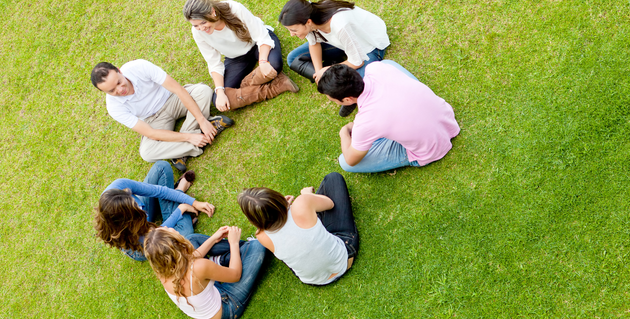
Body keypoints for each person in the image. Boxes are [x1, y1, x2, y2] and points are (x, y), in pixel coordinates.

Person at [317, 60, 461, 173]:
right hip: (447, 119)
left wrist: (344, 132)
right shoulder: (376, 68)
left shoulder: (365, 123)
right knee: (389, 63)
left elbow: (350, 160)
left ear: (347, 100)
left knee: (343, 162)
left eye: (333, 100)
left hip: (431, 148)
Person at [90, 59, 234, 172]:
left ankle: (184, 150)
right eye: (111, 91)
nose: (120, 90)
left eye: (119, 83)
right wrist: (188, 137)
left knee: (203, 91)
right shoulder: (114, 107)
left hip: (172, 99)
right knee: (147, 152)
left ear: (119, 71)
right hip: (154, 120)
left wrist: (201, 120)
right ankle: (199, 137)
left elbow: (178, 90)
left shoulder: (138, 67)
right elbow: (151, 133)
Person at [238, 172, 358, 286]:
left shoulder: (261, 236)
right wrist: (307, 196)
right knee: (333, 179)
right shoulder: (301, 203)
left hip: (315, 280)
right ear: (277, 198)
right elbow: (330, 204)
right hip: (345, 259)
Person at [184, 0, 299, 111]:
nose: (201, 28)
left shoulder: (234, 8)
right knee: (220, 99)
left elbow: (262, 37)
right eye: (196, 25)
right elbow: (213, 63)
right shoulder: (198, 33)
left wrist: (263, 62)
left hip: (257, 44)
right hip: (236, 58)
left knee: (274, 65)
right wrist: (219, 91)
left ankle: (244, 85)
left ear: (213, 11)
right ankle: (278, 86)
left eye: (203, 22)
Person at [279, 0, 389, 116]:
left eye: (294, 30)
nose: (292, 34)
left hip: (368, 46)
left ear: (308, 22)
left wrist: (327, 70)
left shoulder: (340, 25)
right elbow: (314, 44)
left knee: (360, 82)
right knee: (293, 58)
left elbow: (358, 61)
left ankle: (343, 88)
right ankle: (333, 76)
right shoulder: (311, 21)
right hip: (341, 44)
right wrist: (319, 72)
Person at [94, 161, 215, 261]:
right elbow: (155, 236)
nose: (140, 205)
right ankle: (179, 195)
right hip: (146, 245)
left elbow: (158, 191)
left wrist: (194, 202)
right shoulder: (127, 233)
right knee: (186, 233)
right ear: (129, 218)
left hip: (142, 224)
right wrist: (180, 210)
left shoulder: (117, 188)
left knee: (161, 167)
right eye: (136, 207)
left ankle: (178, 193)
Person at [144, 226, 268, 319]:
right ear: (178, 246)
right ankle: (237, 252)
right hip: (228, 306)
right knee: (258, 244)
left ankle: (225, 259)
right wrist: (233, 243)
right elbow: (235, 275)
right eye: (172, 231)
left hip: (206, 290)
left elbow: (191, 257)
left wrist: (214, 238)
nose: (166, 226)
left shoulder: (162, 268)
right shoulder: (200, 267)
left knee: (192, 239)